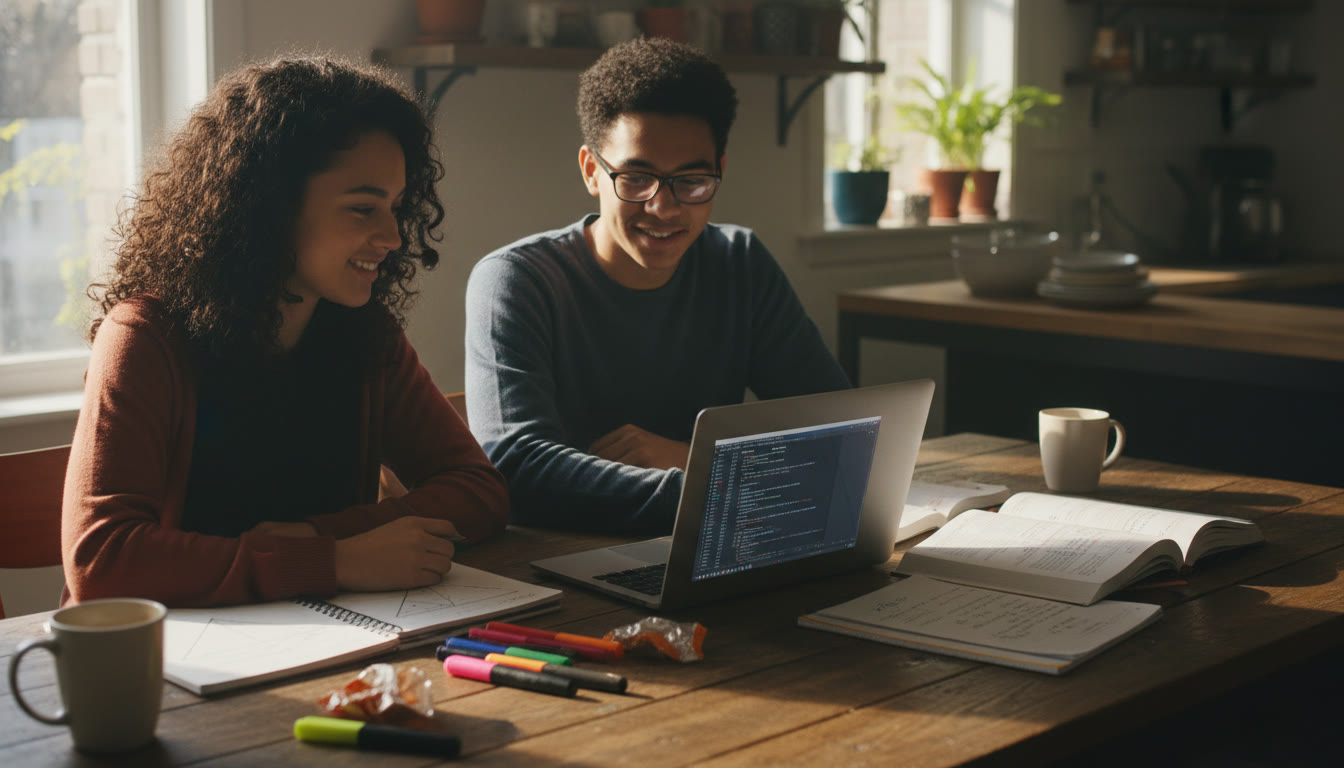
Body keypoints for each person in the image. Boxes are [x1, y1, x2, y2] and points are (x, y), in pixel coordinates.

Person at [61, 56, 509, 608]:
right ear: (268, 208)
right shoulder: (145, 338)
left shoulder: (367, 335)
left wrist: (322, 537)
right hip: (169, 668)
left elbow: (478, 491)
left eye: (395, 207)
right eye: (363, 208)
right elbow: (102, 561)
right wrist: (334, 561)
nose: (394, 236)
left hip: (324, 638)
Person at [465, 38, 850, 535]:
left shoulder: (739, 263)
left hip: (713, 547)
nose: (664, 208)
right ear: (591, 172)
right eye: (637, 178)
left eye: (691, 181)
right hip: (557, 560)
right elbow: (516, 464)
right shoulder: (516, 281)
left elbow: (840, 432)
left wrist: (696, 459)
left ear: (719, 173)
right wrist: (706, 485)